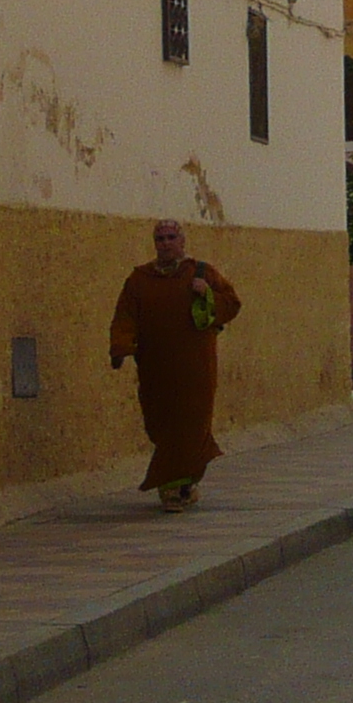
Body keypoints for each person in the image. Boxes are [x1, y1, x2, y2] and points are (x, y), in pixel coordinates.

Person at [108, 219, 241, 511]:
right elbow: (125, 315)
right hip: (156, 367)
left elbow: (231, 304)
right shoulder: (139, 280)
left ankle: (175, 487)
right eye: (159, 238)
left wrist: (207, 293)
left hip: (196, 368)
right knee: (162, 424)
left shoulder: (201, 273)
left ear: (182, 241)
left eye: (170, 237)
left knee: (193, 424)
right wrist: (120, 346)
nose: (165, 243)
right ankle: (181, 482)